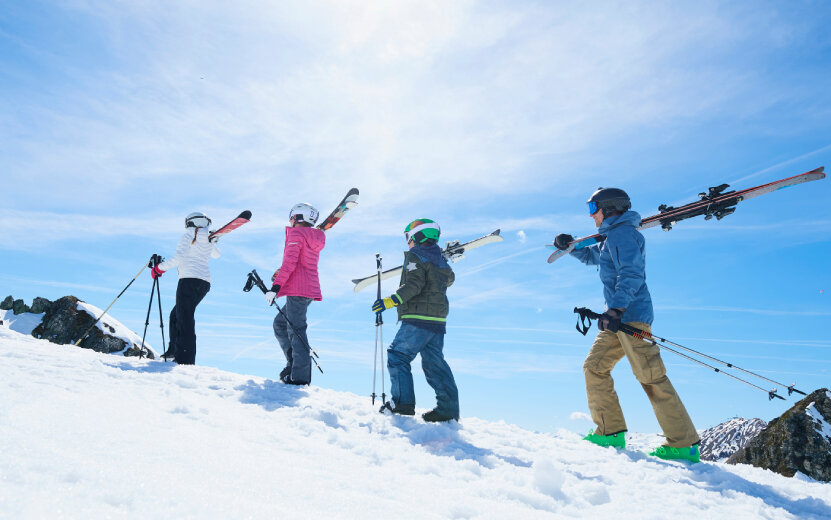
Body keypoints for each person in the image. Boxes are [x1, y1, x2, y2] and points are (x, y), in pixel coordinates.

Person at [554, 188, 700, 462]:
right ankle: (609, 432)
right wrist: (569, 247)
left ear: (609, 209)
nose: (591, 215)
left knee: (650, 376)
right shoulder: (611, 238)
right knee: (594, 367)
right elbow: (591, 258)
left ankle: (683, 445)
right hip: (616, 319)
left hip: (630, 317)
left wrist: (617, 308)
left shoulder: (622, 235)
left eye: (593, 208)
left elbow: (631, 274)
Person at [373, 218, 459, 422]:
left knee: (398, 356)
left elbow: (414, 285)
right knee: (434, 364)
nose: (407, 241)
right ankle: (448, 410)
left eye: (408, 237)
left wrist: (391, 301)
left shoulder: (415, 256)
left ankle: (402, 403)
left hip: (417, 318)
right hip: (437, 321)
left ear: (417, 236)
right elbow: (450, 278)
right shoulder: (440, 259)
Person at [266, 203, 325, 385]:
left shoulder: (296, 234)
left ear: (298, 217)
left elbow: (290, 263)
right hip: (307, 288)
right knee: (280, 324)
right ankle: (293, 364)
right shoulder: (316, 236)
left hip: (298, 289)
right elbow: (298, 261)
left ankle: (299, 377)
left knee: (296, 329)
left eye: (292, 216)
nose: (290, 220)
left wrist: (275, 288)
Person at [152, 212, 220, 365]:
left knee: (185, 318)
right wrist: (214, 242)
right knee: (176, 315)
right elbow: (217, 255)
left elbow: (178, 258)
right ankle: (174, 350)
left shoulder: (189, 234)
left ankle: (184, 359)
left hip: (189, 280)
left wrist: (159, 268)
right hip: (204, 284)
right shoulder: (208, 237)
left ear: (190, 222)